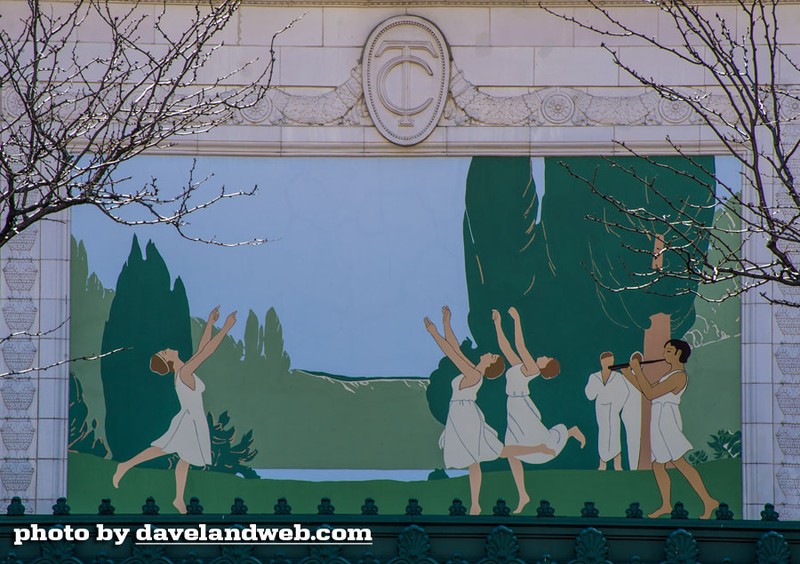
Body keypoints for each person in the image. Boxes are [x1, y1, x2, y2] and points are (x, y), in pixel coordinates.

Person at [425, 306, 551, 515]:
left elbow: (450, 353)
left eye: (491, 356)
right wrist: (447, 323)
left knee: (488, 454)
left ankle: (537, 448)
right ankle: (476, 504)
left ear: (489, 364)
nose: (488, 353)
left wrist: (434, 332)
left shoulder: (474, 375)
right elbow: (455, 349)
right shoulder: (473, 371)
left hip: (466, 415)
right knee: (477, 459)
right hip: (458, 414)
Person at [112, 306, 237, 514]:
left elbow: (201, 350)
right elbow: (207, 352)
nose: (167, 349)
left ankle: (178, 499)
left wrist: (209, 323)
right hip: (189, 419)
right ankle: (125, 465)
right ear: (168, 360)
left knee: (184, 457)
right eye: (164, 352)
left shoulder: (183, 370)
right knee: (165, 449)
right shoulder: (185, 372)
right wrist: (225, 328)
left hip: (193, 418)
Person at [492, 307, 585, 514]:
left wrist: (516, 319)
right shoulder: (521, 367)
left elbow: (519, 344)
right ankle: (523, 494)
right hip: (513, 407)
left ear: (544, 367)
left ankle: (565, 435)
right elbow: (506, 348)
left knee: (516, 447)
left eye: (546, 358)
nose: (542, 355)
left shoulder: (532, 369)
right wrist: (498, 324)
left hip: (521, 408)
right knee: (512, 453)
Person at [622, 340, 719, 519]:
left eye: (668, 351)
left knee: (679, 462)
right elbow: (649, 392)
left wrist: (638, 370)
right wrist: (629, 375)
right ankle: (666, 504)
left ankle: (708, 500)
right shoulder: (670, 374)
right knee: (658, 464)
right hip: (658, 419)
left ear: (678, 354)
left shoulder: (679, 376)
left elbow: (651, 393)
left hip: (667, 420)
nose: (664, 353)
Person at [585, 351, 641, 471]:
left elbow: (625, 393)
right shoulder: (594, 377)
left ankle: (617, 464)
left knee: (615, 433)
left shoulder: (618, 377)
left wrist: (616, 405)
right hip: (601, 410)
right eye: (606, 361)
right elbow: (589, 395)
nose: (609, 363)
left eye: (611, 361)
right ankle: (602, 464)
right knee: (603, 434)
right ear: (601, 362)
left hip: (614, 411)